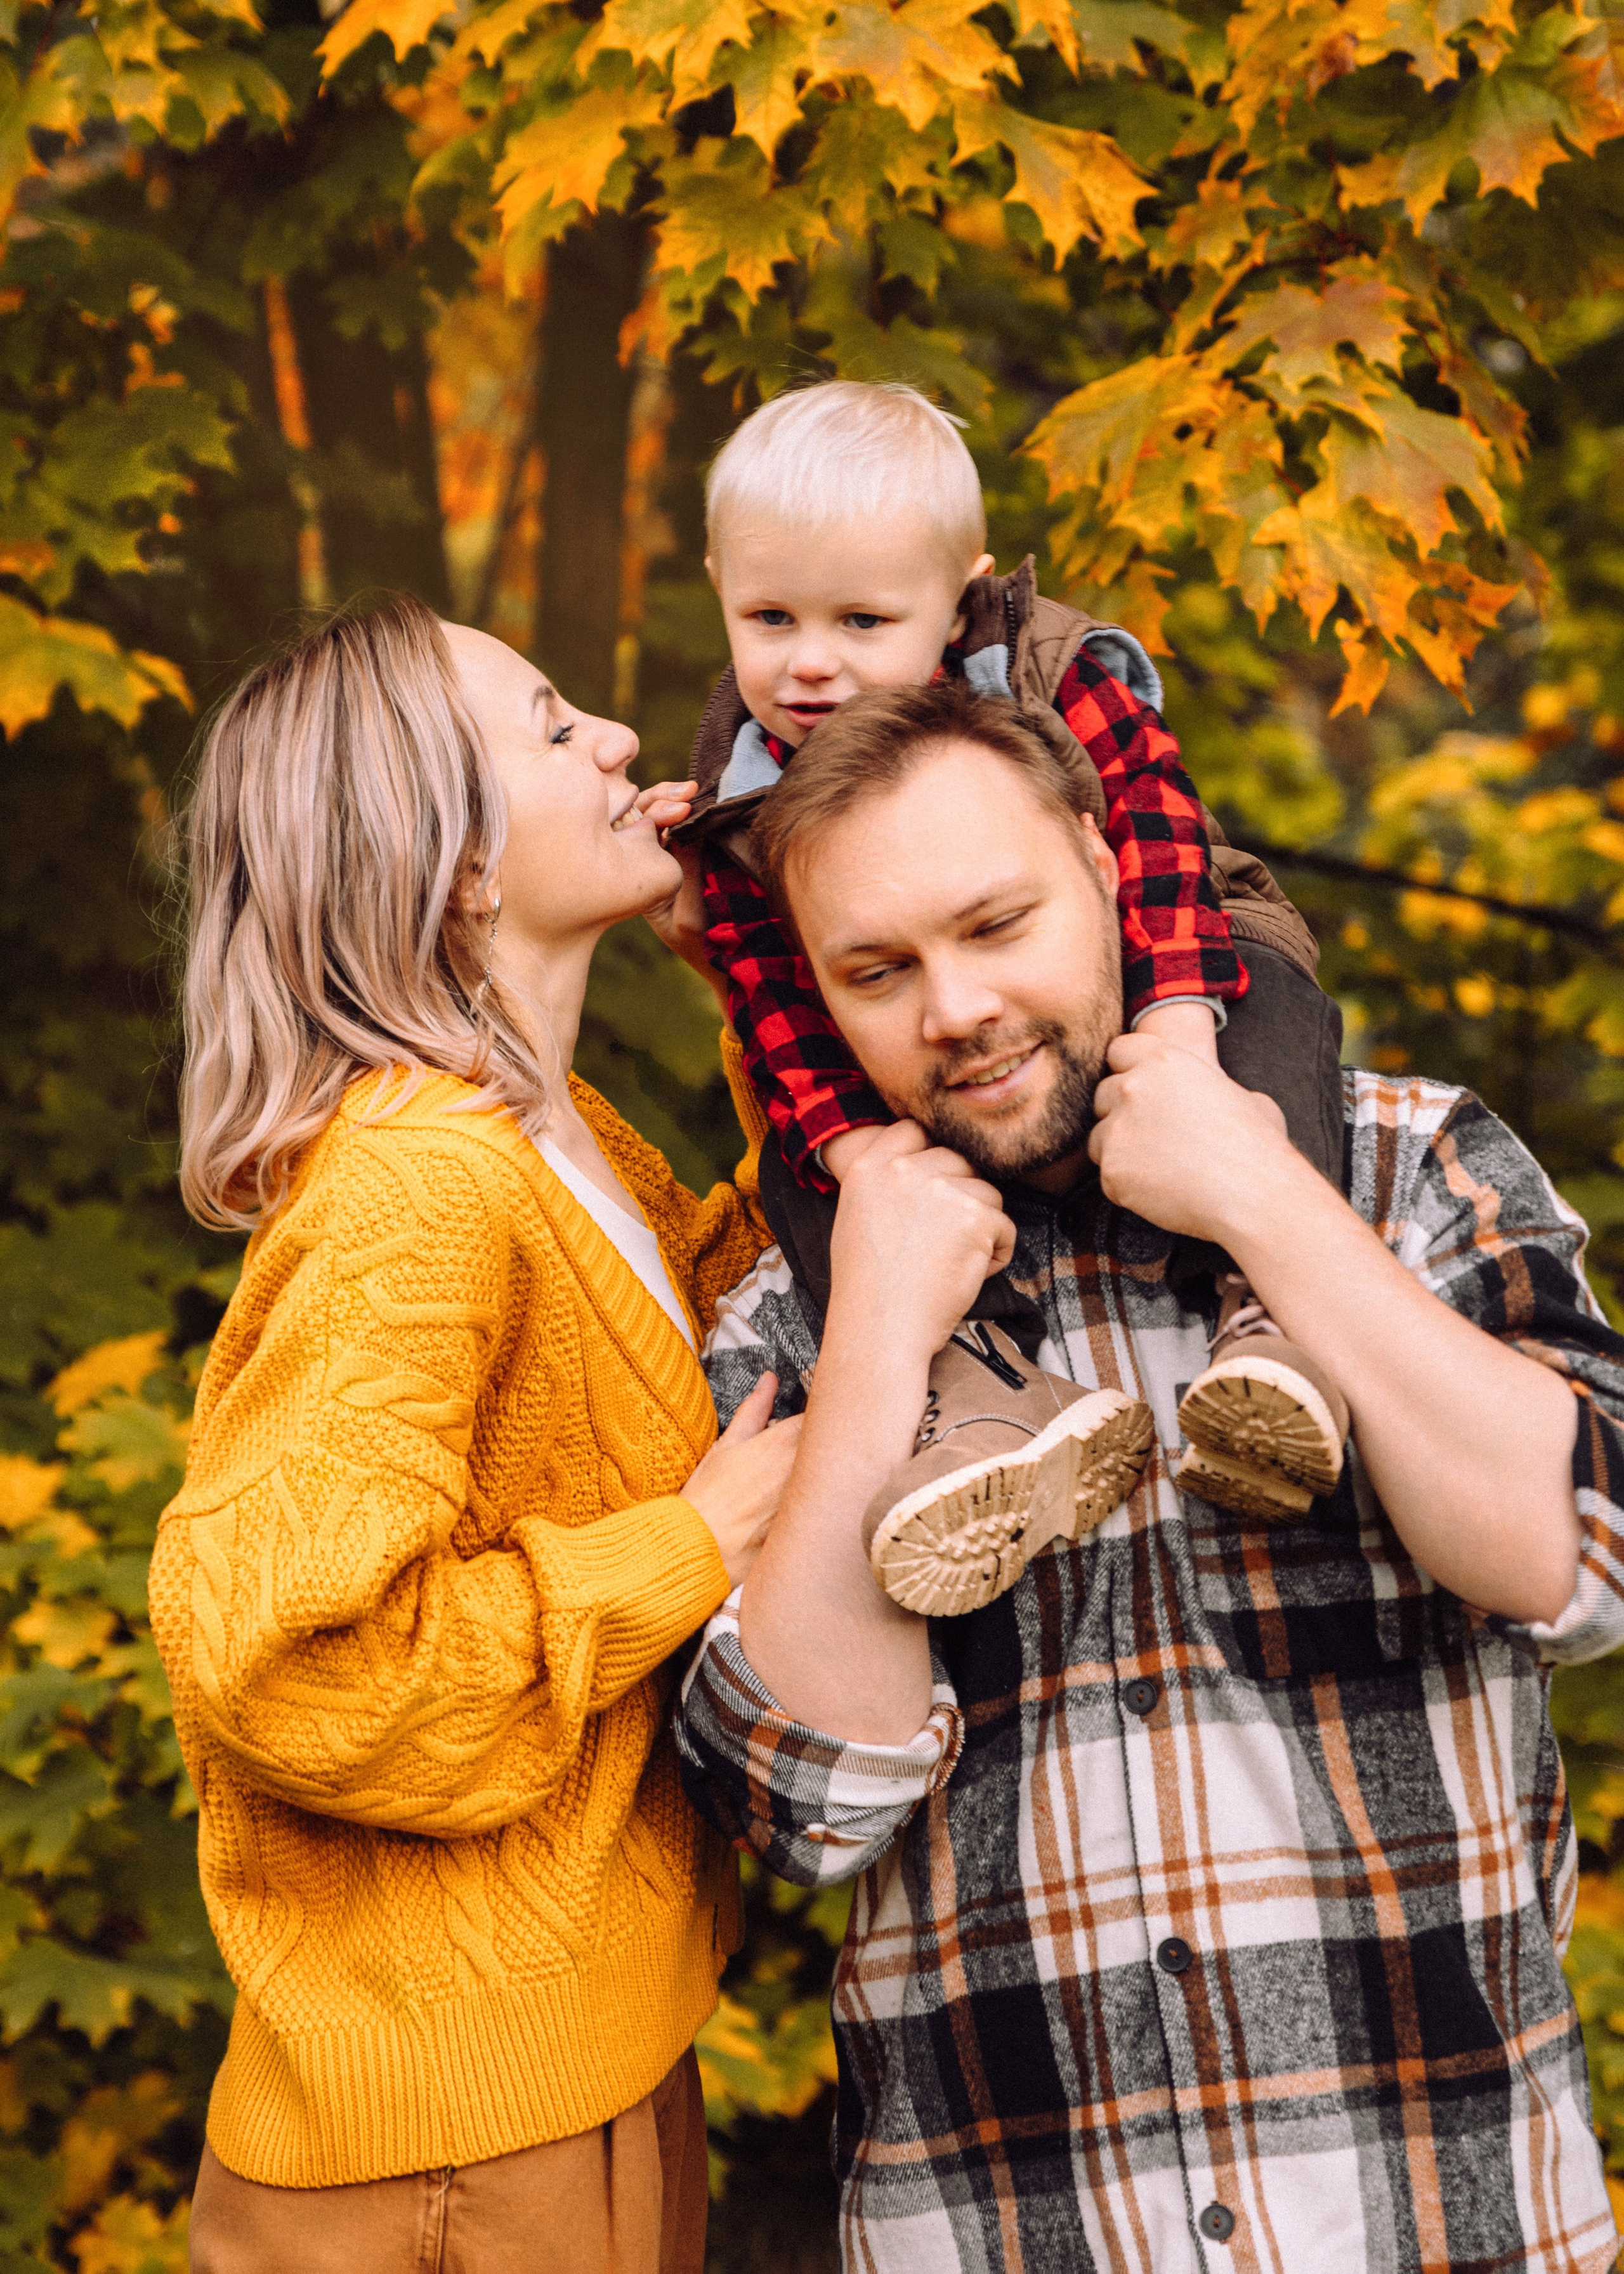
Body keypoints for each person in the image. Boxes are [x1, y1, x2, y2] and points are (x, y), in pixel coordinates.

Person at [675, 679, 1624, 2273]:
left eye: (996, 922)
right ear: (816, 1001)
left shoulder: (1402, 1170)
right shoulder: (797, 1316)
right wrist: (879, 1346)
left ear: (1112, 874)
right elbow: (796, 1799)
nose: (955, 1006)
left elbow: (1576, 1555)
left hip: (1441, 2212)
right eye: (878, 969)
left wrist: (1260, 1192)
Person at [148, 596, 800, 2274]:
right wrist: (695, 1547)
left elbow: (707, 1340)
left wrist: (771, 1015)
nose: (622, 744)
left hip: (577, 2067)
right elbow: (303, 1667)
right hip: (446, 2152)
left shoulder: (552, 1133)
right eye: (551, 720)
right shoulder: (419, 1185)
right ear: (450, 868)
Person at [668, 379, 1351, 1612]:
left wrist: (1181, 1040)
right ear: (717, 581)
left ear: (959, 592)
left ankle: (1277, 1318)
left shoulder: (1041, 666)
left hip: (1176, 940)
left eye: (864, 620)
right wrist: (858, 1154)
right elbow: (776, 1000)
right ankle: (984, 1394)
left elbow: (1151, 848)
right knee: (805, 1176)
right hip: (920, 1060)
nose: (809, 662)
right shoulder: (739, 788)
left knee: (1271, 1026)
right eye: (766, 615)